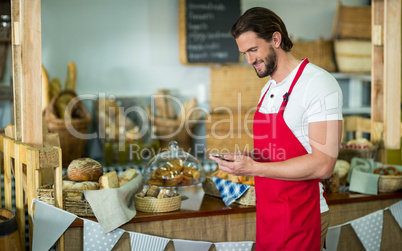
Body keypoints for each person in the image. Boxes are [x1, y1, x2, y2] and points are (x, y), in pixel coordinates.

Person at [209, 7, 343, 251]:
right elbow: (277, 153)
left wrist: (255, 167)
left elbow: (324, 164)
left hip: (303, 216)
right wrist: (246, 160)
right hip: (269, 216)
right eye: (244, 53)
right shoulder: (267, 90)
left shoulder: (318, 83)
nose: (249, 61)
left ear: (276, 39)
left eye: (253, 50)